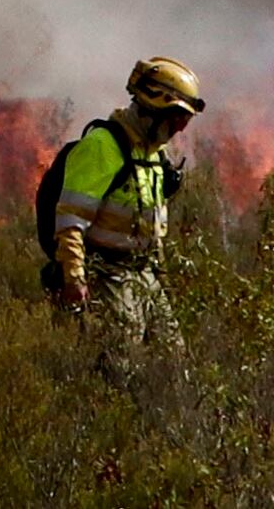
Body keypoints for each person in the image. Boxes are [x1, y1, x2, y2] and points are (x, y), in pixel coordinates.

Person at [39, 56, 203, 350]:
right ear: (153, 107)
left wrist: (162, 277)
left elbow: (151, 225)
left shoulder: (153, 154)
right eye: (176, 118)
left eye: (185, 121)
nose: (180, 128)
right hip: (108, 275)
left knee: (173, 359)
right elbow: (70, 220)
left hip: (145, 274)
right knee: (121, 364)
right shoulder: (102, 147)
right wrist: (75, 280)